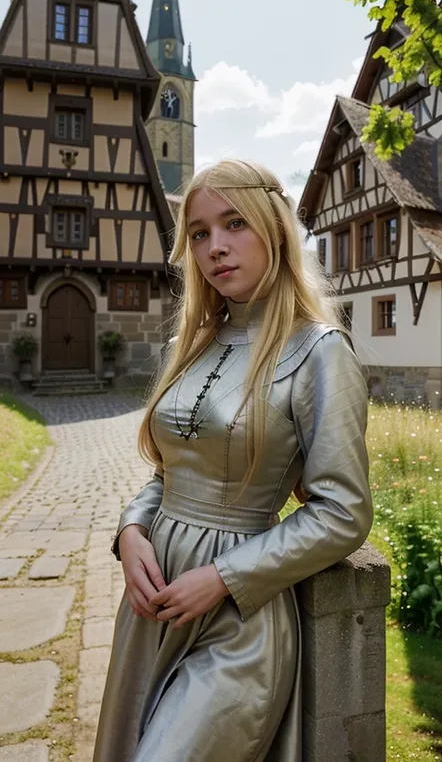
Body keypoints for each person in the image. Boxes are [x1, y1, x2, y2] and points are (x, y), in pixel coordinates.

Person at [93, 159, 373, 762]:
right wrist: (132, 529)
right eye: (198, 233)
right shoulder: (189, 345)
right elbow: (168, 470)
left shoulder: (320, 353)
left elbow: (343, 512)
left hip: (237, 620)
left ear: (274, 228)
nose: (215, 247)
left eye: (234, 223)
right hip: (153, 607)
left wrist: (223, 577)